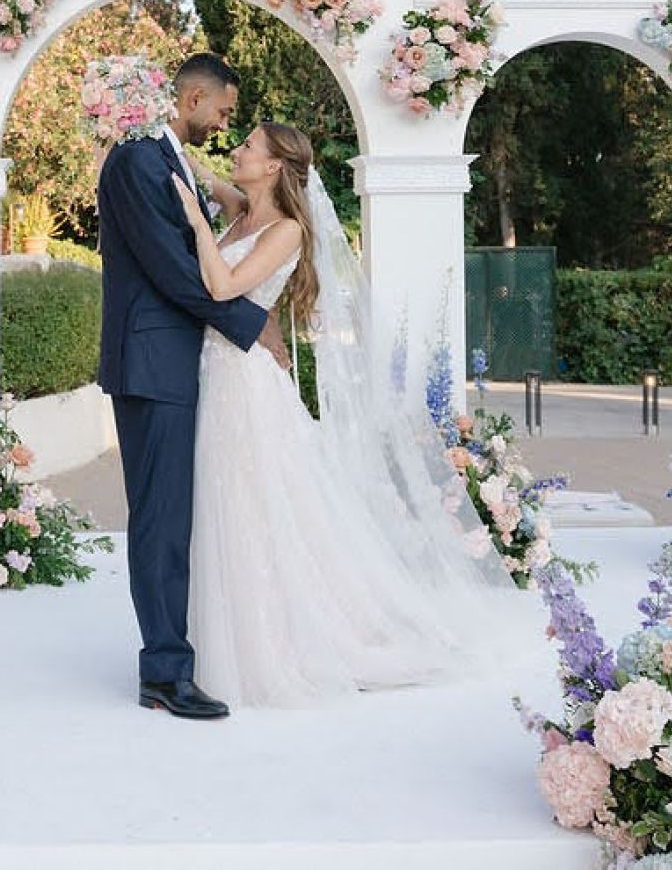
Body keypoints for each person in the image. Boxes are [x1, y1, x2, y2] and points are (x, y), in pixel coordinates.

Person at [166, 121, 515, 707]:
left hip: (247, 382)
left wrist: (198, 224)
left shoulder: (285, 231)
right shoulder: (244, 212)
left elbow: (224, 287)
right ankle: (228, 629)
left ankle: (287, 638)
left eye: (249, 145)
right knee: (233, 501)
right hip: (217, 372)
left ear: (275, 165)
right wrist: (168, 144)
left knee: (258, 503)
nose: (238, 150)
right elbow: (202, 174)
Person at [95, 52, 267, 720]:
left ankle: (171, 658)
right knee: (162, 520)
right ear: (192, 97)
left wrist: (217, 188)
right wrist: (254, 329)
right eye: (222, 110)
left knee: (173, 517)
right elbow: (174, 271)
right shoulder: (140, 159)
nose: (223, 124)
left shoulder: (163, 155)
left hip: (167, 361)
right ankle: (165, 673)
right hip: (153, 364)